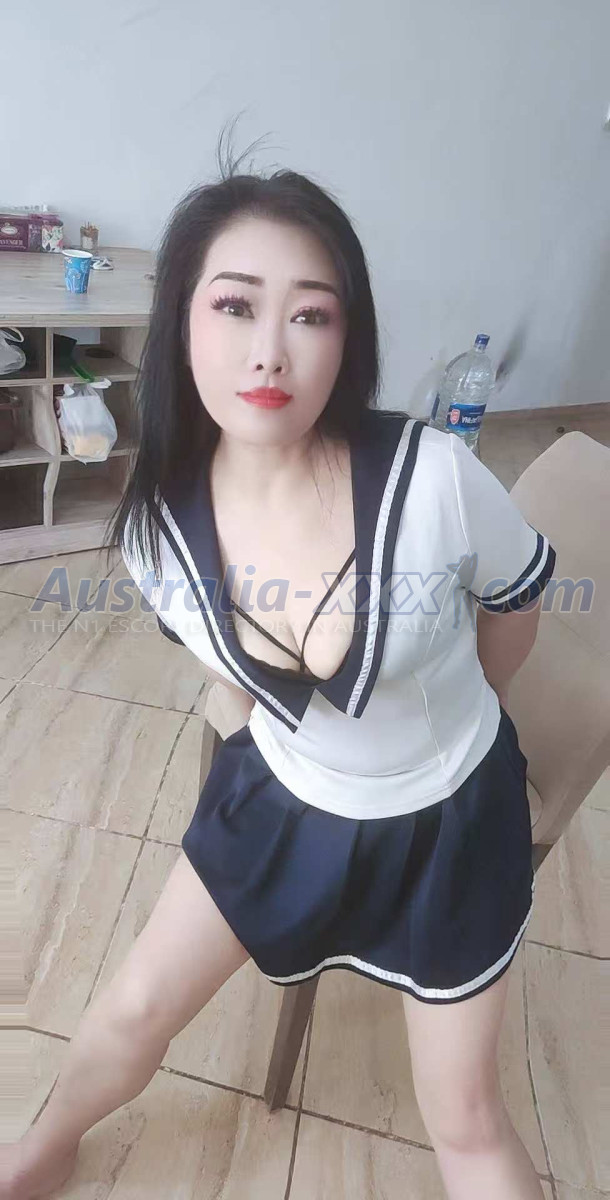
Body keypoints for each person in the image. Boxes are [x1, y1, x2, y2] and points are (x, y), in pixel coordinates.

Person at [3, 126, 556, 1200]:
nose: (269, 352)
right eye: (234, 306)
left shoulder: (433, 480)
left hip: (449, 819)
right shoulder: (157, 533)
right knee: (133, 1009)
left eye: (310, 315)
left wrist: (467, 716)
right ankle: (42, 1143)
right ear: (180, 322)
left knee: (465, 1122)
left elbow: (517, 603)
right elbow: (224, 676)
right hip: (285, 798)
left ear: (349, 339)